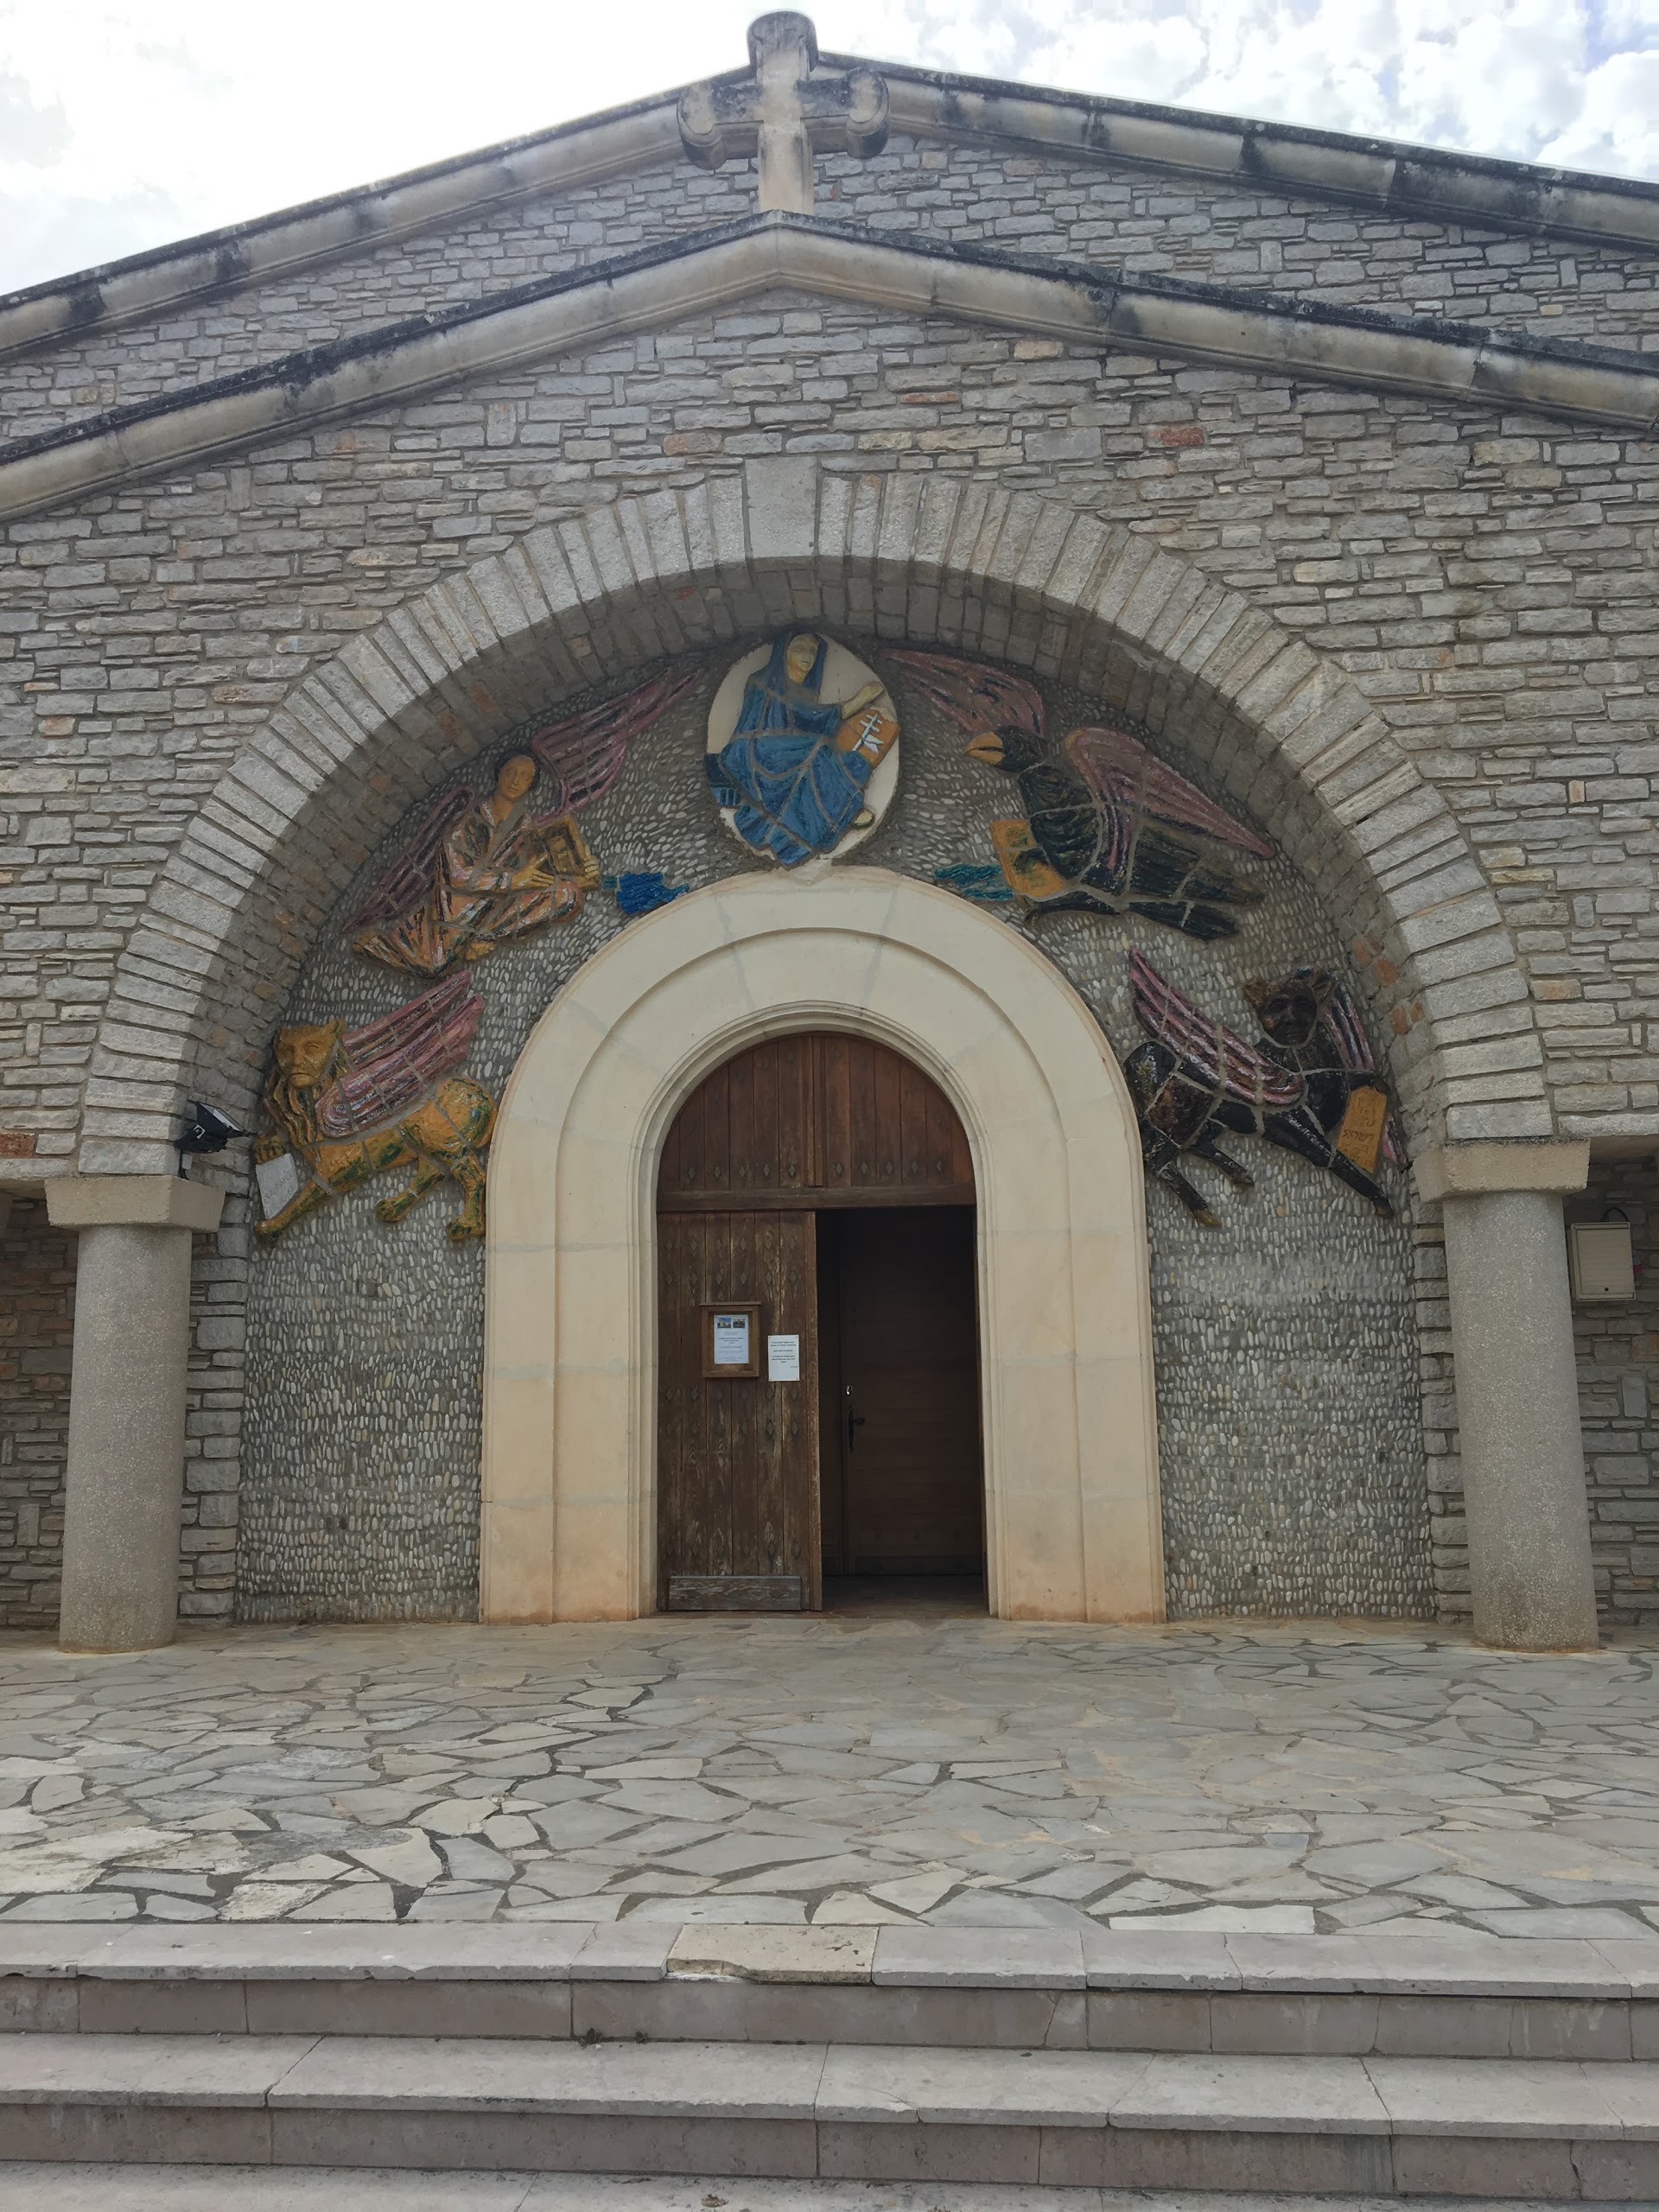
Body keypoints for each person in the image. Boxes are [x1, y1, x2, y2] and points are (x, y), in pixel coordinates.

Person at [353, 753, 598, 975]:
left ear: (531, 785)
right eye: (511, 772)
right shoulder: (471, 821)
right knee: (435, 962)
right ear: (498, 774)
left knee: (567, 893)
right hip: (462, 903)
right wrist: (511, 880)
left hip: (500, 905)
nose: (516, 781)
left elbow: (541, 869)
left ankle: (483, 936)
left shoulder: (524, 826)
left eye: (525, 777)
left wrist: (583, 873)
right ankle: (392, 945)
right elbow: (458, 874)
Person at [707, 632, 897, 868]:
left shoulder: (802, 692)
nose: (807, 655)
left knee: (842, 759)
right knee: (816, 748)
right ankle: (842, 811)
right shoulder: (763, 682)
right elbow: (809, 716)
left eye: (812, 651)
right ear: (784, 652)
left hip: (784, 750)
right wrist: (859, 700)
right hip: (750, 749)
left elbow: (810, 720)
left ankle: (830, 813)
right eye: (800, 648)